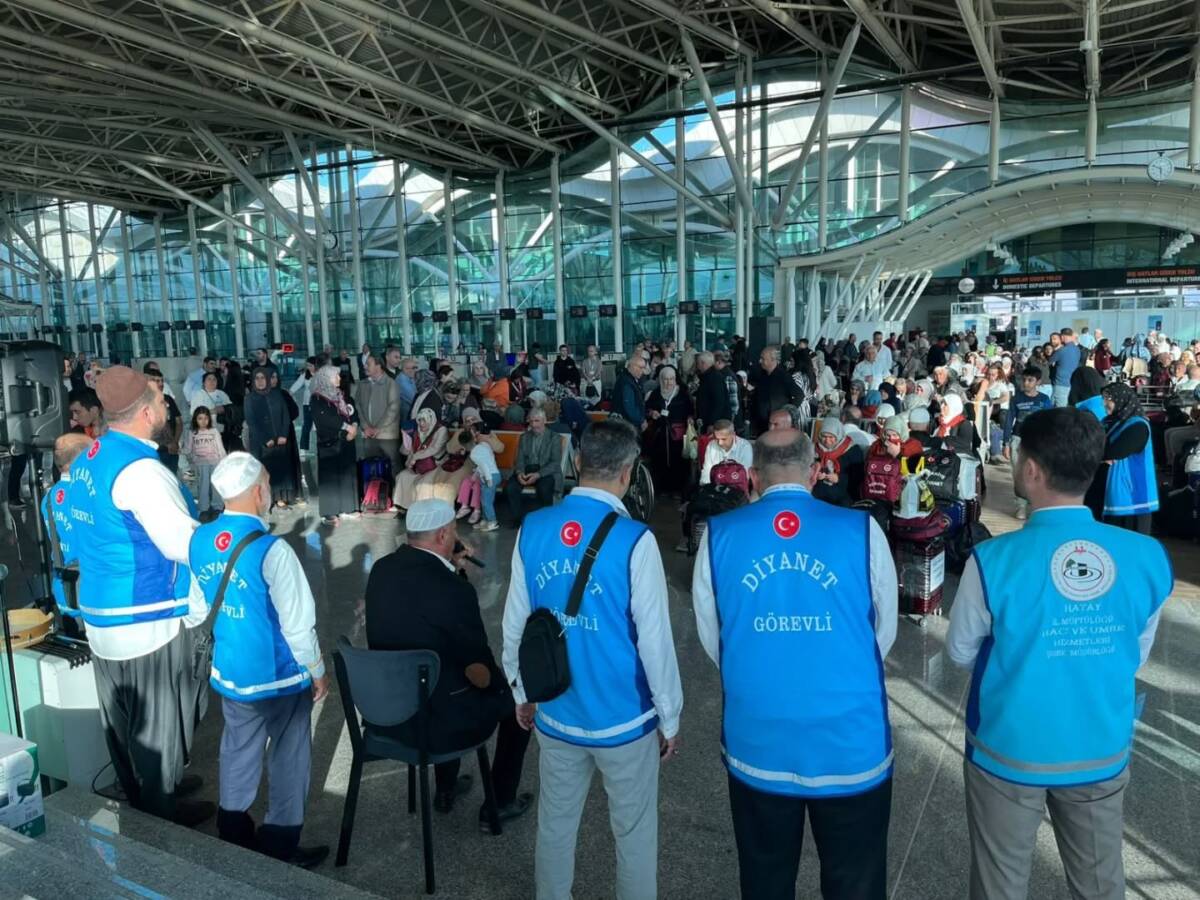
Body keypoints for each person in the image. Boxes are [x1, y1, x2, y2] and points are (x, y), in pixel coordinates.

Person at [947, 407, 1170, 900]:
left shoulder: (992, 560)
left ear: (1030, 470)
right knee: (1100, 882)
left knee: (1000, 883)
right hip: (1100, 745)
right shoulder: (1147, 556)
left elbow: (962, 651)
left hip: (1008, 750)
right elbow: (1135, 653)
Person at [692, 428, 897, 900]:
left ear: (754, 477)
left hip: (759, 736)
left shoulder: (720, 535)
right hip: (850, 741)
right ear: (813, 473)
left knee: (765, 878)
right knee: (856, 880)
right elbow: (880, 633)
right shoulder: (862, 530)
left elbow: (714, 636)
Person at [501, 418, 683, 900]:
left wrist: (522, 690)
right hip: (624, 717)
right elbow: (655, 641)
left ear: (576, 462)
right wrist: (670, 715)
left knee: (556, 825)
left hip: (556, 709)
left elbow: (515, 623)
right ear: (628, 472)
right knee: (635, 833)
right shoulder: (635, 540)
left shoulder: (533, 528)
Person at [65, 366, 213, 827]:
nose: (167, 405)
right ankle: (161, 819)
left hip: (101, 617)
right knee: (159, 728)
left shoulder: (90, 456)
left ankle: (148, 792)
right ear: (147, 411)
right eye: (161, 399)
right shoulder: (142, 471)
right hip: (146, 618)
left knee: (125, 726)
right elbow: (180, 543)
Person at [189, 454, 328, 868]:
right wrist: (318, 671)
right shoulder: (272, 549)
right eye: (266, 482)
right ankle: (280, 843)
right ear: (256, 491)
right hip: (278, 677)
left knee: (237, 749)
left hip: (230, 672)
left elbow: (196, 611)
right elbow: (299, 624)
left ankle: (233, 828)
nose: (268, 490)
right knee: (289, 756)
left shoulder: (198, 539)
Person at [366, 498, 533, 824]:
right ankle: (499, 803)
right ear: (444, 535)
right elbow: (481, 674)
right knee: (517, 702)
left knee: (441, 672)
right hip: (435, 722)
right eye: (455, 529)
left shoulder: (381, 569)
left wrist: (451, 568)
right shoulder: (452, 589)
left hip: (388, 712)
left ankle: (446, 788)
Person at [1086, 383, 1159, 534]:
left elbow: (1114, 451)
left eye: (1109, 398)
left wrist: (1099, 453)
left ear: (1121, 399)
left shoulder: (1138, 425)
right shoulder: (1110, 422)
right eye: (1104, 398)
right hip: (1107, 492)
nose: (1104, 403)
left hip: (1131, 497)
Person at [42, 433, 91, 636]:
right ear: (78, 460)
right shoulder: (84, 492)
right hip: (89, 584)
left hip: (63, 584)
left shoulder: (49, 498)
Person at [310, 364, 359, 524]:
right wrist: (347, 427)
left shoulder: (342, 396)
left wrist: (355, 427)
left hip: (347, 441)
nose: (339, 378)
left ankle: (348, 507)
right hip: (329, 442)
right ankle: (330, 512)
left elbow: (353, 412)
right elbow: (325, 418)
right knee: (330, 477)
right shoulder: (317, 398)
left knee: (346, 474)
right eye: (335, 376)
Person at [1003, 367, 1053, 519]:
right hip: (1018, 439)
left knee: (1038, 474)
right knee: (1019, 475)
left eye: (1030, 380)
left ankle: (1037, 504)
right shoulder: (1016, 399)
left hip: (1037, 441)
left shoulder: (1044, 400)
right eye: (1024, 379)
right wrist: (1006, 442)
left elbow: (1048, 422)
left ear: (1038, 382)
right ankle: (1021, 506)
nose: (1026, 383)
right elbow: (1008, 421)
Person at [244, 368, 295, 509]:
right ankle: (266, 500)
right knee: (263, 472)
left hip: (279, 441)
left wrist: (284, 434)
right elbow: (251, 421)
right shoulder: (249, 399)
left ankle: (280, 498)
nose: (260, 381)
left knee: (279, 470)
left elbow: (286, 415)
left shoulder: (276, 394)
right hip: (260, 443)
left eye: (262, 378)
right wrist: (266, 439)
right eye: (257, 378)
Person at [504, 408, 561, 524]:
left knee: (544, 488)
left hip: (545, 470)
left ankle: (546, 519)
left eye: (537, 421)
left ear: (544, 421)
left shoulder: (554, 437)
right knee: (511, 487)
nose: (534, 425)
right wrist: (520, 473)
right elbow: (519, 460)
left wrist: (538, 474)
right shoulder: (524, 437)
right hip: (527, 469)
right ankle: (517, 519)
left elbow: (555, 463)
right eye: (531, 421)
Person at [644, 366, 692, 497]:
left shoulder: (682, 394)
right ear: (660, 379)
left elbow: (690, 411)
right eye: (665, 379)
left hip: (677, 434)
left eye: (671, 379)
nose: (668, 382)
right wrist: (651, 412)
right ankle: (661, 489)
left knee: (679, 462)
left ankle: (678, 490)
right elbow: (647, 409)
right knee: (660, 461)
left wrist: (690, 418)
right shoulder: (655, 393)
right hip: (659, 434)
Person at [394, 407, 448, 513]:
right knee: (402, 476)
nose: (421, 423)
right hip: (419, 465)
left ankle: (421, 509)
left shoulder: (441, 430)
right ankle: (403, 506)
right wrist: (409, 460)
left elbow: (434, 449)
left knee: (423, 482)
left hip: (436, 465)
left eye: (424, 420)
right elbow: (412, 449)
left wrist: (415, 457)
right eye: (420, 420)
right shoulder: (417, 431)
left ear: (430, 420)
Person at [354, 354, 402, 463]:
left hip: (387, 435)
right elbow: (357, 405)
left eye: (368, 364)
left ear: (378, 366)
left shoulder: (391, 384)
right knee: (371, 468)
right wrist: (365, 426)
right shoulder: (362, 384)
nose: (364, 366)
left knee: (391, 468)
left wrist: (378, 428)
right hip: (368, 435)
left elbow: (393, 409)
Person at [749, 345, 802, 434]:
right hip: (761, 424)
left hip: (777, 424)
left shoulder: (783, 376)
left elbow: (799, 395)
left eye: (763, 359)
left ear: (773, 360)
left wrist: (787, 412)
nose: (760, 361)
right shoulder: (761, 375)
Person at [184, 406, 226, 516]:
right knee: (203, 484)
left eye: (206, 418)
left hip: (215, 462)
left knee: (215, 484)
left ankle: (218, 505)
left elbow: (220, 447)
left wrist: (224, 460)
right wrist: (183, 452)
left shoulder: (214, 431)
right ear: (195, 420)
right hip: (200, 463)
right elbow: (188, 448)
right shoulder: (192, 432)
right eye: (200, 418)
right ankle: (203, 507)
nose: (203, 421)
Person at [812, 418, 864, 507]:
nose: (827, 441)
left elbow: (858, 478)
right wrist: (815, 474)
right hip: (818, 494)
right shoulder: (815, 449)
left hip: (843, 495)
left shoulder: (852, 450)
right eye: (824, 436)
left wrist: (839, 478)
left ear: (838, 435)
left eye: (831, 437)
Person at [699, 419, 753, 485]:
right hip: (715, 488)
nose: (720, 443)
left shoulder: (745, 447)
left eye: (724, 439)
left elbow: (745, 476)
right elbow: (707, 472)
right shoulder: (711, 445)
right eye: (717, 439)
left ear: (733, 434)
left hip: (737, 489)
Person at [694, 351, 730, 432]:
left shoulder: (714, 378)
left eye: (698, 363)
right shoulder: (708, 376)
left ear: (703, 363)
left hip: (714, 423)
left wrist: (712, 423)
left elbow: (719, 402)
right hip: (708, 420)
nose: (697, 366)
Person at [610, 353, 647, 429]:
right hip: (628, 427)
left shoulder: (625, 378)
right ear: (632, 366)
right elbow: (630, 407)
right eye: (640, 367)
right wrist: (641, 420)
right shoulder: (627, 383)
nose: (643, 371)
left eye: (644, 368)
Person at [289, 358, 317, 453]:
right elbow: (297, 384)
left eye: (310, 365)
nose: (308, 367)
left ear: (315, 365)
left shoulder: (320, 374)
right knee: (306, 425)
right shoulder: (305, 375)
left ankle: (320, 445)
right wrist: (290, 392)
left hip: (319, 403)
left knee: (320, 424)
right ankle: (304, 448)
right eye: (307, 365)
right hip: (307, 403)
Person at [1049, 328, 1081, 407]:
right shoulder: (1077, 350)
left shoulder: (1061, 350)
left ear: (1062, 337)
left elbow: (1049, 361)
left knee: (1059, 410)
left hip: (1060, 384)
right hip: (1071, 383)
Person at [396, 356, 419, 424]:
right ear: (402, 369)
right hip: (406, 419)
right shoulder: (401, 381)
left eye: (413, 368)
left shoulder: (410, 378)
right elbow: (414, 399)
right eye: (407, 368)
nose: (411, 370)